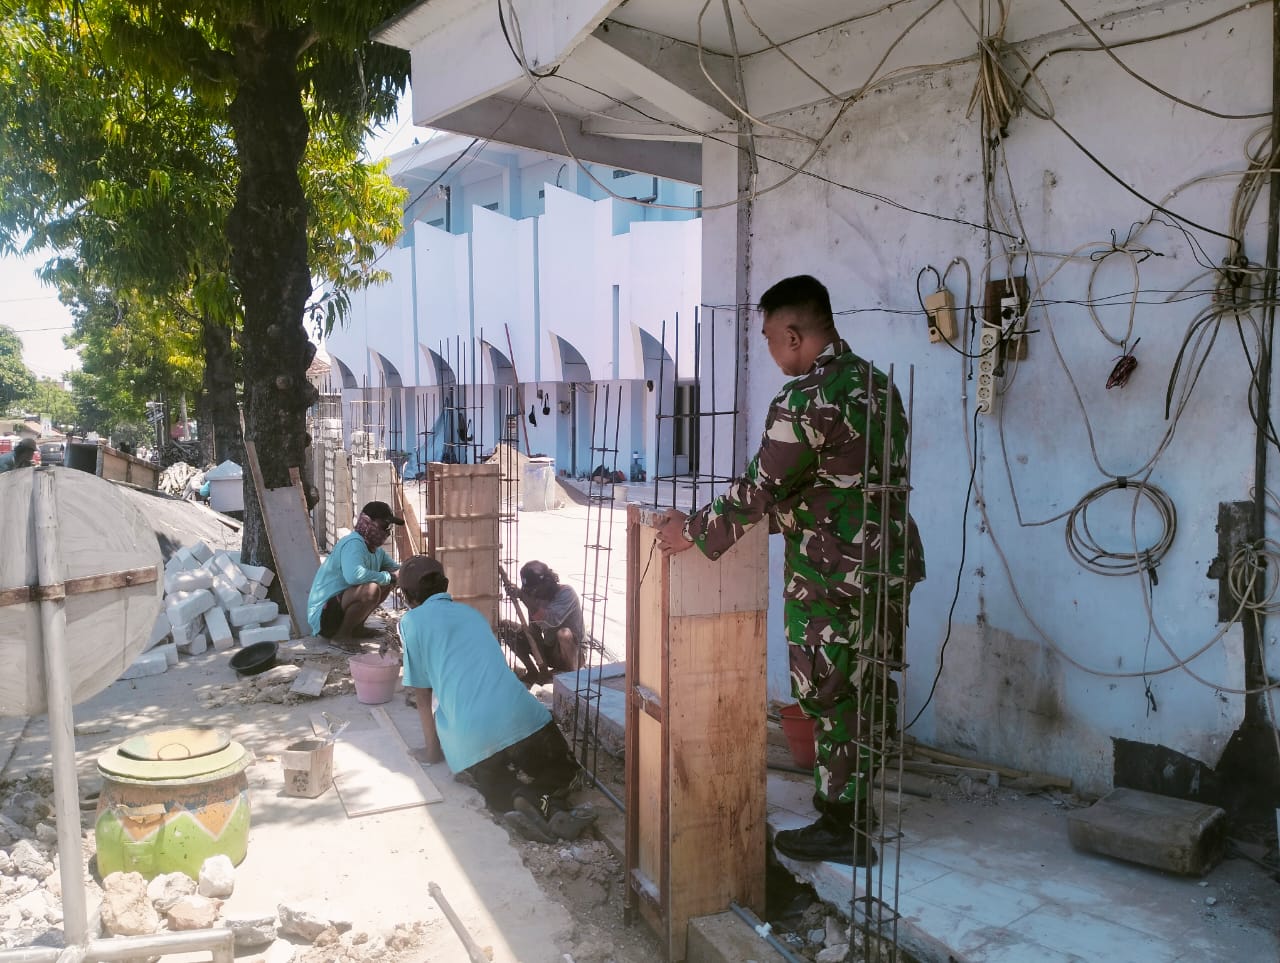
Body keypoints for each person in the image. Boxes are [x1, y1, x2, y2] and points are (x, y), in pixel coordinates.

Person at [655, 275, 924, 867]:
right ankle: (857, 804)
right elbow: (834, 485)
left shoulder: (808, 397)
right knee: (868, 680)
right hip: (885, 560)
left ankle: (839, 824)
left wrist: (692, 532)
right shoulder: (879, 386)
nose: (772, 351)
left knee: (827, 691)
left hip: (833, 569)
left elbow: (760, 488)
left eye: (772, 338)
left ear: (795, 334)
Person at [397, 554, 596, 843]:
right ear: (445, 585)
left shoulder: (411, 624)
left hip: (469, 740)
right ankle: (541, 799)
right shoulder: (472, 615)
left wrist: (432, 752)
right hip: (521, 719)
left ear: (407, 597)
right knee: (564, 771)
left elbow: (422, 693)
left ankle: (514, 799)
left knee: (496, 782)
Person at [306, 500, 403, 643]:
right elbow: (354, 576)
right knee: (371, 590)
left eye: (389, 527)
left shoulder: (377, 552)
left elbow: (395, 570)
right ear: (367, 522)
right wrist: (389, 576)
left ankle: (356, 628)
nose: (387, 531)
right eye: (384, 525)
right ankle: (341, 637)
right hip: (324, 617)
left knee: (385, 583)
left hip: (339, 607)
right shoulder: (353, 544)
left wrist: (407, 570)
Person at [508, 560, 585, 676]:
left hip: (574, 654)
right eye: (529, 591)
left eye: (534, 590)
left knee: (564, 634)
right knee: (508, 627)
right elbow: (535, 633)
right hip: (550, 651)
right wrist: (543, 667)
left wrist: (523, 597)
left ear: (547, 583)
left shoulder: (566, 593)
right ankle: (532, 672)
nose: (532, 594)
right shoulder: (534, 599)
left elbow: (549, 620)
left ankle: (571, 676)